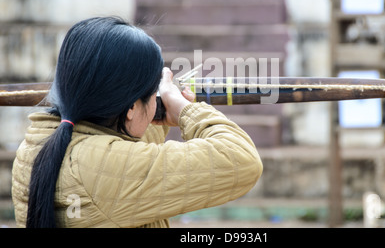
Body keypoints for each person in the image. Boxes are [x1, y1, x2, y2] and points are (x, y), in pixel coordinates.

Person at [11, 17, 263, 228]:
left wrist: (158, 105)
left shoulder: (37, 144)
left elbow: (122, 152)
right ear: (131, 108)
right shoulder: (98, 165)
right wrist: (186, 110)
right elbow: (242, 160)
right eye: (152, 95)